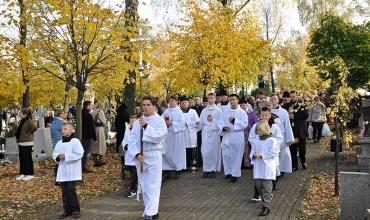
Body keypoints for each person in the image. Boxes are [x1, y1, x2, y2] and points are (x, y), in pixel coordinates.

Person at [128, 96, 168, 220]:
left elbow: (158, 136)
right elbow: (132, 139)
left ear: (154, 106)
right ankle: (152, 210)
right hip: (141, 156)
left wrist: (146, 126)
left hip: (154, 155)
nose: (145, 107)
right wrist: (136, 154)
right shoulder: (138, 122)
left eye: (148, 105)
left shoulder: (159, 121)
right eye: (143, 105)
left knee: (153, 184)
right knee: (144, 185)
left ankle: (149, 212)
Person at [52, 122, 84, 219]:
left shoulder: (75, 141)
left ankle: (75, 209)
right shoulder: (59, 142)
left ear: (71, 130)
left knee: (71, 189)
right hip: (63, 170)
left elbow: (79, 153)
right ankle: (67, 210)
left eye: (65, 129)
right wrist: (58, 156)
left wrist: (66, 156)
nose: (62, 130)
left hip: (72, 170)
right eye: (62, 129)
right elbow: (54, 153)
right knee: (64, 190)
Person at [250, 120, 279, 217]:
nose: (258, 132)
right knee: (258, 185)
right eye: (257, 130)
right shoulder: (257, 139)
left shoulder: (272, 140)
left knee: (267, 186)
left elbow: (274, 153)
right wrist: (254, 155)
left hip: (267, 166)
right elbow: (253, 149)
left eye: (260, 130)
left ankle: (266, 206)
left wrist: (262, 155)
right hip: (258, 165)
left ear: (265, 129)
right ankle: (265, 198)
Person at [217, 94, 248, 183]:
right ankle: (228, 172)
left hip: (237, 135)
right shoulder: (225, 112)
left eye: (233, 99)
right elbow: (220, 122)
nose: (231, 101)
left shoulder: (242, 112)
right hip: (227, 135)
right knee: (226, 155)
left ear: (237, 100)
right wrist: (223, 127)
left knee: (236, 155)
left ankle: (235, 174)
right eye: (230, 99)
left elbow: (244, 124)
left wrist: (234, 121)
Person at [198, 93, 222, 178]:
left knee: (213, 152)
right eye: (208, 98)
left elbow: (220, 123)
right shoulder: (204, 110)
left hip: (214, 133)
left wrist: (213, 120)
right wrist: (197, 125)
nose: (210, 100)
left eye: (212, 98)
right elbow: (201, 122)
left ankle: (213, 170)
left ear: (215, 99)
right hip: (206, 133)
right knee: (205, 152)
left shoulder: (218, 110)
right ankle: (206, 170)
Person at [270, 94, 294, 178]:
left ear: (278, 100)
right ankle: (274, 170)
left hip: (282, 135)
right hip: (271, 136)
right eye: (271, 99)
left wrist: (289, 139)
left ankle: (281, 169)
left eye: (274, 99)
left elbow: (287, 125)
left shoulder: (283, 111)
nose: (273, 100)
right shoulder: (268, 111)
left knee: (282, 154)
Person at [161, 96, 186, 179]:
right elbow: (160, 120)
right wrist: (165, 122)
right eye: (170, 101)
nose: (171, 102)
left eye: (173, 101)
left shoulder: (179, 112)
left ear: (176, 102)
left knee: (176, 154)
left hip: (176, 135)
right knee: (167, 153)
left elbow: (183, 123)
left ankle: (177, 171)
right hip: (168, 135)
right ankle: (167, 171)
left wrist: (172, 123)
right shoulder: (166, 111)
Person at [15, 108, 38, 181]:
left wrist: (29, 134)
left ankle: (30, 173)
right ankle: (23, 173)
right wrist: (18, 141)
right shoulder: (22, 121)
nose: (19, 115)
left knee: (27, 158)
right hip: (21, 142)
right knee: (22, 158)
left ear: (25, 115)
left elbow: (34, 127)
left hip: (27, 142)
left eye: (20, 114)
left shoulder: (28, 121)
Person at [289, 91, 309, 171]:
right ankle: (294, 166)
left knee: (302, 147)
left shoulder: (302, 104)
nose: (292, 98)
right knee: (292, 149)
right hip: (291, 130)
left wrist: (294, 116)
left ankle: (303, 161)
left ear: (297, 96)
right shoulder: (288, 105)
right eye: (291, 96)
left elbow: (305, 115)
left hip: (300, 130)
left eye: (293, 96)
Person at [180, 96, 200, 169]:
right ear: (180, 104)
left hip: (190, 134)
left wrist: (187, 123)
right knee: (183, 150)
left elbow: (197, 122)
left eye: (185, 102)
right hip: (182, 133)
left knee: (192, 150)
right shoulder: (179, 112)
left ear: (188, 103)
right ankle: (185, 165)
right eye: (182, 103)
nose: (184, 104)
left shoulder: (193, 111)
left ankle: (193, 164)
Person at [122, 115, 138, 198]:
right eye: (131, 122)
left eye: (134, 122)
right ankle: (135, 188)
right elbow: (124, 140)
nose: (132, 123)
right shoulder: (127, 131)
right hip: (129, 155)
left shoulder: (139, 131)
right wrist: (126, 145)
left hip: (136, 156)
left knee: (135, 175)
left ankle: (133, 189)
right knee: (132, 174)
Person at [239, 99, 258, 168]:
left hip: (249, 133)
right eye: (240, 105)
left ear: (247, 105)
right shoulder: (238, 114)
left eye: (243, 105)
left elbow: (255, 123)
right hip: (240, 133)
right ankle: (241, 164)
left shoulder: (251, 114)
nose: (242, 107)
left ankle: (250, 163)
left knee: (249, 148)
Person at [50, 108, 67, 185]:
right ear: (60, 114)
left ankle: (58, 178)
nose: (65, 114)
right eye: (63, 113)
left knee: (58, 161)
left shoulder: (54, 122)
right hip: (62, 142)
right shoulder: (62, 122)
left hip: (55, 143)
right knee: (61, 161)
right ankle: (60, 179)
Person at [81, 101, 97, 173]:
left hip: (81, 135)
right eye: (90, 105)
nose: (91, 106)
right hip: (86, 136)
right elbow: (91, 127)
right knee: (85, 152)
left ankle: (81, 166)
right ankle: (82, 167)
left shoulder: (80, 113)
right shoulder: (88, 115)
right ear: (87, 106)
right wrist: (94, 137)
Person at [115, 102, 130, 175]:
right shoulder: (126, 114)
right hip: (125, 133)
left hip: (119, 133)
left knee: (121, 149)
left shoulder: (118, 115)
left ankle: (123, 163)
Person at [90, 101, 107, 167]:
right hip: (99, 129)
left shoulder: (93, 112)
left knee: (94, 145)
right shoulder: (100, 111)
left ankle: (95, 160)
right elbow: (103, 121)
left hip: (94, 129)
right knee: (101, 144)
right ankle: (99, 160)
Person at [191, 96, 204, 167]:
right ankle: (193, 161)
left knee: (200, 146)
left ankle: (200, 161)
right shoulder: (191, 109)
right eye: (195, 100)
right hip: (192, 130)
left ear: (200, 100)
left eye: (197, 100)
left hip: (200, 131)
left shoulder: (203, 109)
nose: (196, 101)